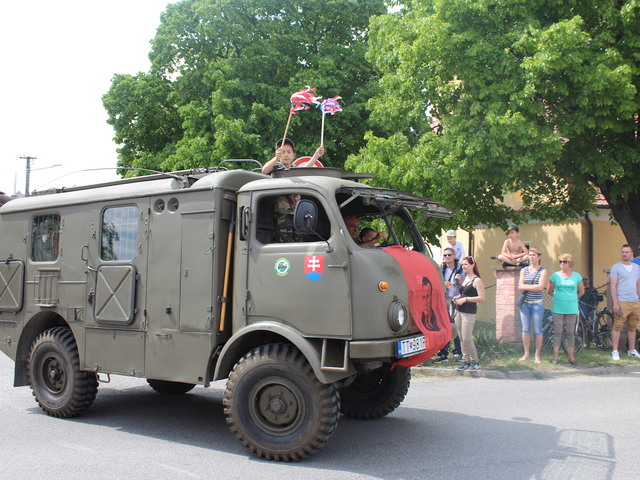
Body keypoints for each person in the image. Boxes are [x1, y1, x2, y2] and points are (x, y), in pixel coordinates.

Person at [547, 253, 584, 365]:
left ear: (570, 263)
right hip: (558, 308)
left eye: (565, 261)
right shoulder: (555, 276)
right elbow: (549, 290)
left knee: (570, 332)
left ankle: (571, 357)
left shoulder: (576, 276)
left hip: (572, 308)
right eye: (561, 261)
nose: (562, 263)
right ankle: (555, 357)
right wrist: (558, 297)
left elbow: (582, 291)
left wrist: (573, 298)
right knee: (557, 332)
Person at [517, 247, 549, 364]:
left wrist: (526, 287)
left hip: (537, 304)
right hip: (525, 304)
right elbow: (520, 286)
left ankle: (537, 354)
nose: (531, 257)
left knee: (538, 330)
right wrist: (532, 287)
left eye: (534, 255)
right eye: (530, 255)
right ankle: (526, 353)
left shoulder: (543, 271)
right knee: (525, 329)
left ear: (539, 257)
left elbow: (540, 287)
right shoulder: (524, 270)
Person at [453, 256, 485, 371]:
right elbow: (464, 293)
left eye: (466, 264)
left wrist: (466, 299)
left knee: (467, 338)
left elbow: (482, 298)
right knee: (461, 338)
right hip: (459, 311)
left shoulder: (477, 280)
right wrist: (459, 297)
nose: (463, 266)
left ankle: (475, 361)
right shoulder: (465, 278)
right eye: (462, 265)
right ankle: (465, 360)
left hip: (469, 313)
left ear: (472, 265)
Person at [609, 244, 640, 360]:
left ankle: (632, 349)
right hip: (622, 301)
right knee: (618, 325)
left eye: (627, 252)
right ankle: (615, 351)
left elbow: (638, 284)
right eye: (623, 252)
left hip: (635, 301)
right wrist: (615, 303)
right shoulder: (616, 267)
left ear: (632, 253)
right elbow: (613, 286)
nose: (624, 254)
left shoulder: (636, 267)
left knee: (633, 326)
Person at [433, 247, 463, 363]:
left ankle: (457, 351)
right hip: (444, 300)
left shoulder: (460, 268)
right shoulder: (442, 268)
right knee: (445, 326)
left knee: (456, 326)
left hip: (456, 300)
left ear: (454, 256)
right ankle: (443, 353)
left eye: (449, 255)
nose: (447, 257)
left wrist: (456, 282)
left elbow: (461, 281)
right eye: (445, 255)